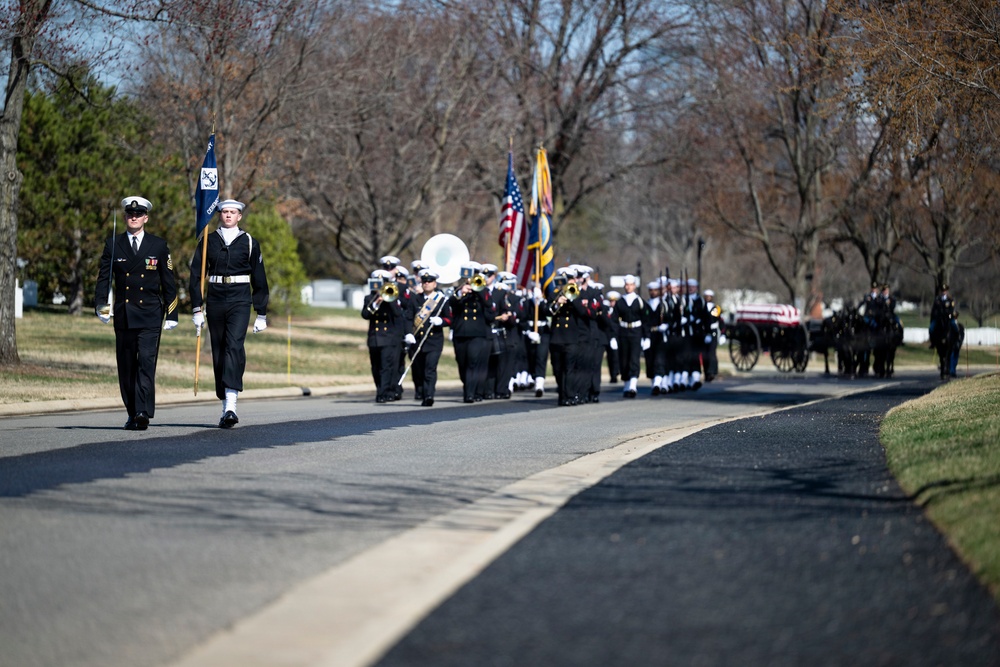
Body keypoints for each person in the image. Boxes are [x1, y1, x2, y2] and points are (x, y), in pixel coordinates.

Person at [94, 196, 179, 430]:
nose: (134, 217)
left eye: (139, 214)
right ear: (125, 217)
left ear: (146, 218)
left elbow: (168, 282)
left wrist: (172, 313)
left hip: (150, 314)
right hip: (124, 315)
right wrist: (101, 305)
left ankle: (143, 411)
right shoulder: (113, 244)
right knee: (127, 366)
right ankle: (132, 411)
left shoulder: (158, 246)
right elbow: (104, 278)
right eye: (130, 214)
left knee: (146, 364)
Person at [189, 199, 270, 428]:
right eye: (224, 211)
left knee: (233, 345)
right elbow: (196, 277)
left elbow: (260, 279)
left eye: (232, 212)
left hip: (240, 298)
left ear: (239, 216)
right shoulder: (208, 241)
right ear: (219, 214)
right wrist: (197, 308)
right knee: (219, 350)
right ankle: (224, 403)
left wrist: (261, 312)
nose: (228, 215)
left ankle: (232, 406)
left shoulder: (249, 242)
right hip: (215, 297)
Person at [362, 269, 414, 402]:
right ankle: (380, 389)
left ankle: (383, 393)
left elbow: (397, 314)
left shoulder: (393, 297)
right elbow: (365, 315)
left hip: (389, 338)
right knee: (375, 367)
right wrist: (376, 302)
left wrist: (388, 299)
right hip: (375, 338)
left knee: (387, 366)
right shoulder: (369, 298)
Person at [450, 262, 497, 402]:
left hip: (477, 334)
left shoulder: (484, 291)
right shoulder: (457, 290)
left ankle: (470, 393)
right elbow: (451, 304)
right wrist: (461, 292)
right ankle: (470, 387)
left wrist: (478, 289)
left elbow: (489, 306)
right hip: (460, 333)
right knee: (462, 362)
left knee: (473, 362)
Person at [408, 270, 451, 406]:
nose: (426, 284)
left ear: (435, 283)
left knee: (430, 368)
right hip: (418, 340)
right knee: (419, 369)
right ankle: (420, 391)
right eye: (424, 281)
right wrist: (408, 333)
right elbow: (408, 317)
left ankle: (429, 395)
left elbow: (449, 319)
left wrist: (441, 321)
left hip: (434, 341)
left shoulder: (441, 300)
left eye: (429, 281)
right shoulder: (415, 298)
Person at [611, 275, 647, 398]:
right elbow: (614, 320)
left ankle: (633, 385)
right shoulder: (620, 302)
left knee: (634, 359)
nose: (628, 287)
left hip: (636, 332)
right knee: (624, 359)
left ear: (634, 286)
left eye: (631, 284)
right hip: (623, 332)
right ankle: (626, 384)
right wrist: (613, 337)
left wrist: (646, 337)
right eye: (627, 285)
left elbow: (645, 320)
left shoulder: (640, 301)